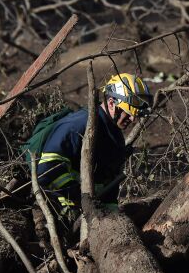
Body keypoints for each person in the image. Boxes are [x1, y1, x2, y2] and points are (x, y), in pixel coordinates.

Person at [31, 73, 151, 213]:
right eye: (128, 112)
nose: (132, 119)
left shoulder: (115, 136)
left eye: (135, 115)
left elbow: (108, 186)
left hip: (86, 209)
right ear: (112, 103)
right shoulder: (77, 126)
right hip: (55, 205)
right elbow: (46, 170)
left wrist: (112, 216)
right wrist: (79, 198)